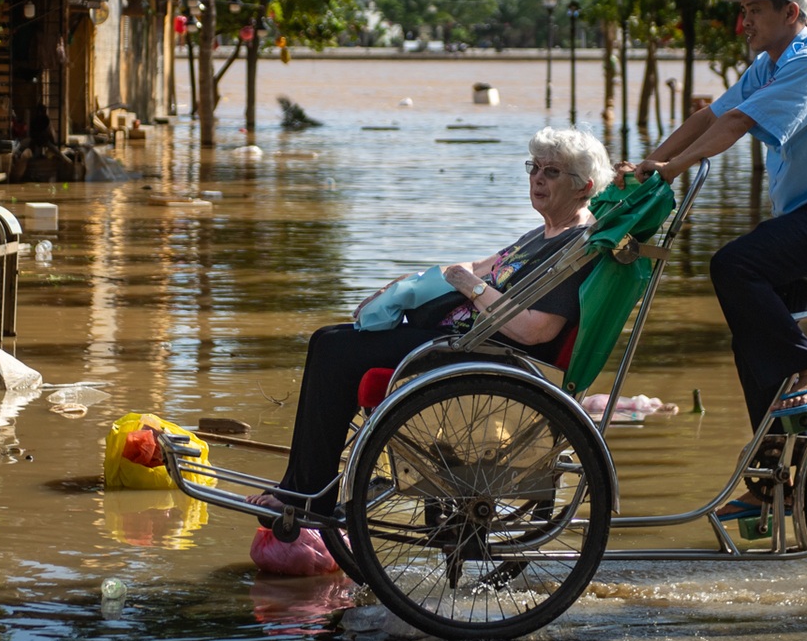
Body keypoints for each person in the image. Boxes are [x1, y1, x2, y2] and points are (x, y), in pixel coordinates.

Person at [622, 0, 807, 522]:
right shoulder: (769, 64)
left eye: (754, 9)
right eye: (742, 10)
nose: (743, 20)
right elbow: (710, 116)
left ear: (790, 13)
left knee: (734, 266)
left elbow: (735, 127)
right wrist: (653, 160)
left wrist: (671, 171)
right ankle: (773, 483)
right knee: (755, 339)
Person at [262, 127, 614, 523]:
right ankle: (305, 484)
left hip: (486, 353)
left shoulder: (574, 246)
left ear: (584, 187)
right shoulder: (542, 234)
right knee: (330, 338)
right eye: (534, 167)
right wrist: (399, 288)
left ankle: (307, 492)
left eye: (552, 172)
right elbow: (470, 268)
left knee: (334, 349)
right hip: (465, 340)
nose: (537, 178)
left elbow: (536, 331)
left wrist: (473, 287)